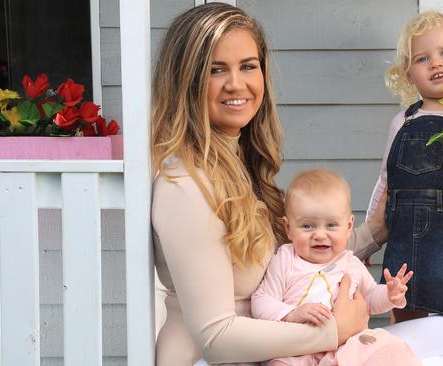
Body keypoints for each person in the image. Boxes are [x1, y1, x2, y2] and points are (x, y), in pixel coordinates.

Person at [151, 3, 386, 365]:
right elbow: (216, 337)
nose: (236, 83)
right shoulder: (185, 184)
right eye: (216, 70)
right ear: (187, 80)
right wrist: (333, 331)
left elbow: (297, 255)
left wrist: (376, 230)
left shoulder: (239, 163)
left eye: (248, 66)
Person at [366, 11, 443, 334]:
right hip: (406, 252)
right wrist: (367, 244)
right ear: (408, 74)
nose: (435, 63)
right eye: (423, 58)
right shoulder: (403, 123)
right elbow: (385, 185)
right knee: (406, 333)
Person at [249, 169, 420, 366]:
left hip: (346, 346)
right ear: (288, 228)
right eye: (307, 226)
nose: (320, 235)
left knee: (387, 348)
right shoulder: (285, 259)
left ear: (348, 227)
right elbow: (261, 300)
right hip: (297, 348)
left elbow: (370, 300)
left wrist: (390, 295)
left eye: (331, 225)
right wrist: (291, 313)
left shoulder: (350, 263)